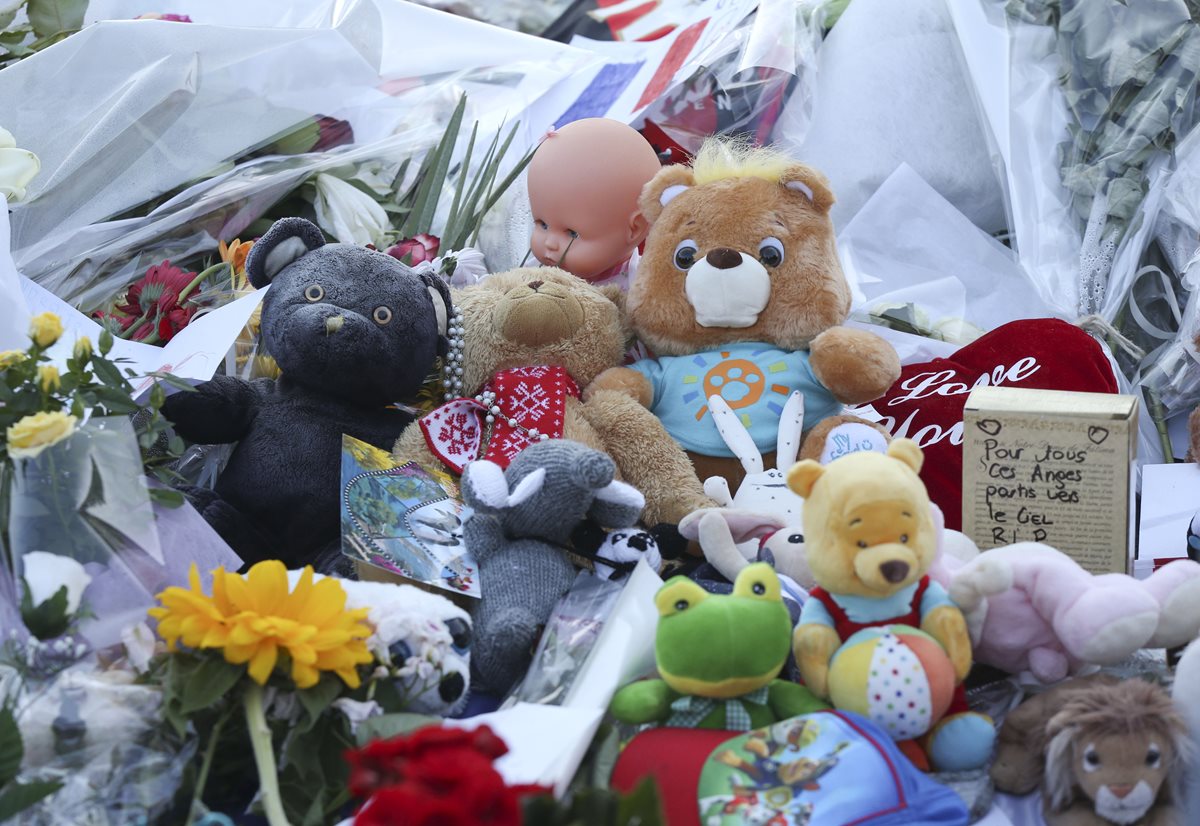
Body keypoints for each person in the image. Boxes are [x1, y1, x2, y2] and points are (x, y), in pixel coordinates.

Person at [527, 117, 662, 288]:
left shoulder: (640, 289)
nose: (550, 243)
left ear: (635, 228)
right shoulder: (533, 273)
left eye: (572, 233)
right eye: (543, 225)